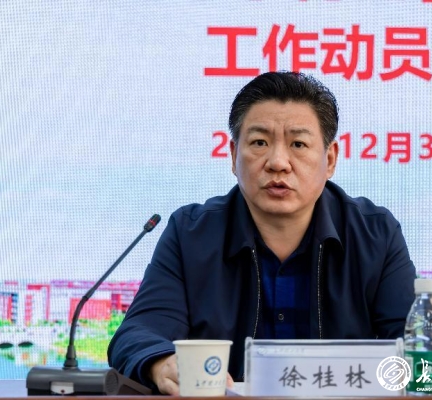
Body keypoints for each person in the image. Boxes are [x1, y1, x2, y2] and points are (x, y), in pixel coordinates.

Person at [107, 71, 416, 395]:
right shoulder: (191, 233)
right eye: (259, 143)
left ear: (330, 159)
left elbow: (418, 349)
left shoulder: (375, 234)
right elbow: (139, 333)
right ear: (233, 155)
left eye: (298, 144)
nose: (278, 162)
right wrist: (161, 363)